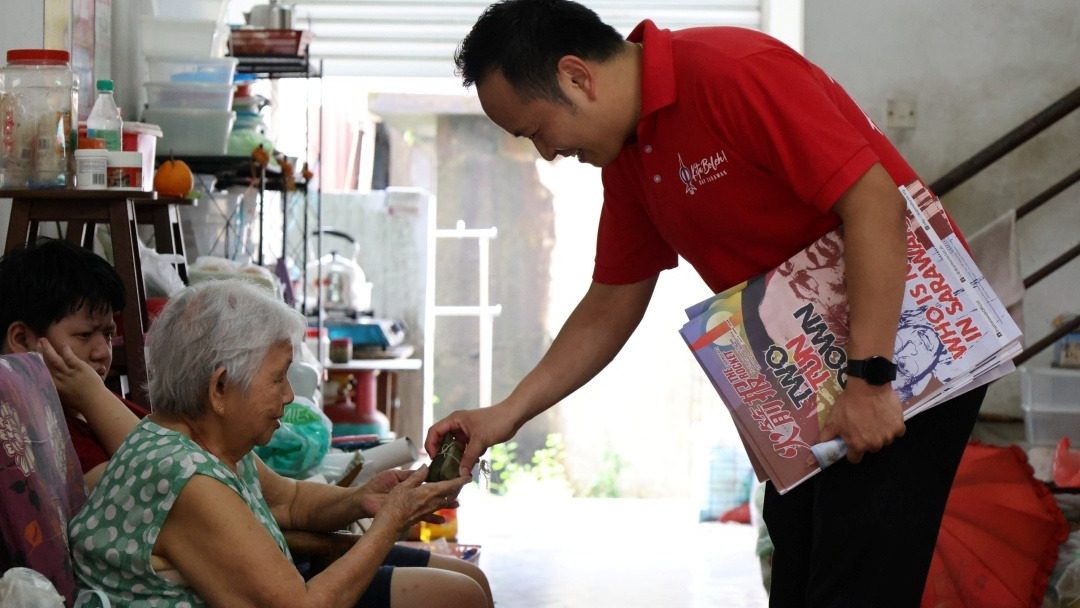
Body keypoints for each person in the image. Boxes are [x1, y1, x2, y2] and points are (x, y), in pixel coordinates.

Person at [424, 1, 986, 606]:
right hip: (806, 369)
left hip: (902, 353)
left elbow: (875, 204)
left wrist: (872, 380)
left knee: (856, 576)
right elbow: (614, 297)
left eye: (535, 131)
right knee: (797, 555)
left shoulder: (732, 73)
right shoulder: (630, 152)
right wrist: (507, 413)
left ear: (576, 77)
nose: (546, 153)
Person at [69, 280, 490, 607]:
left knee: (472, 582)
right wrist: (391, 524)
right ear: (219, 388)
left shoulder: (204, 445)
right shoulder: (187, 481)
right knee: (460, 596)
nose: (289, 395)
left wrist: (364, 500)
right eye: (278, 377)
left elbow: (289, 501)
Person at [0, 238, 147, 476]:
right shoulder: (37, 433)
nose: (103, 352)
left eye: (108, 334)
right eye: (85, 335)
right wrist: (93, 398)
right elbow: (164, 477)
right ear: (21, 339)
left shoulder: (96, 400)